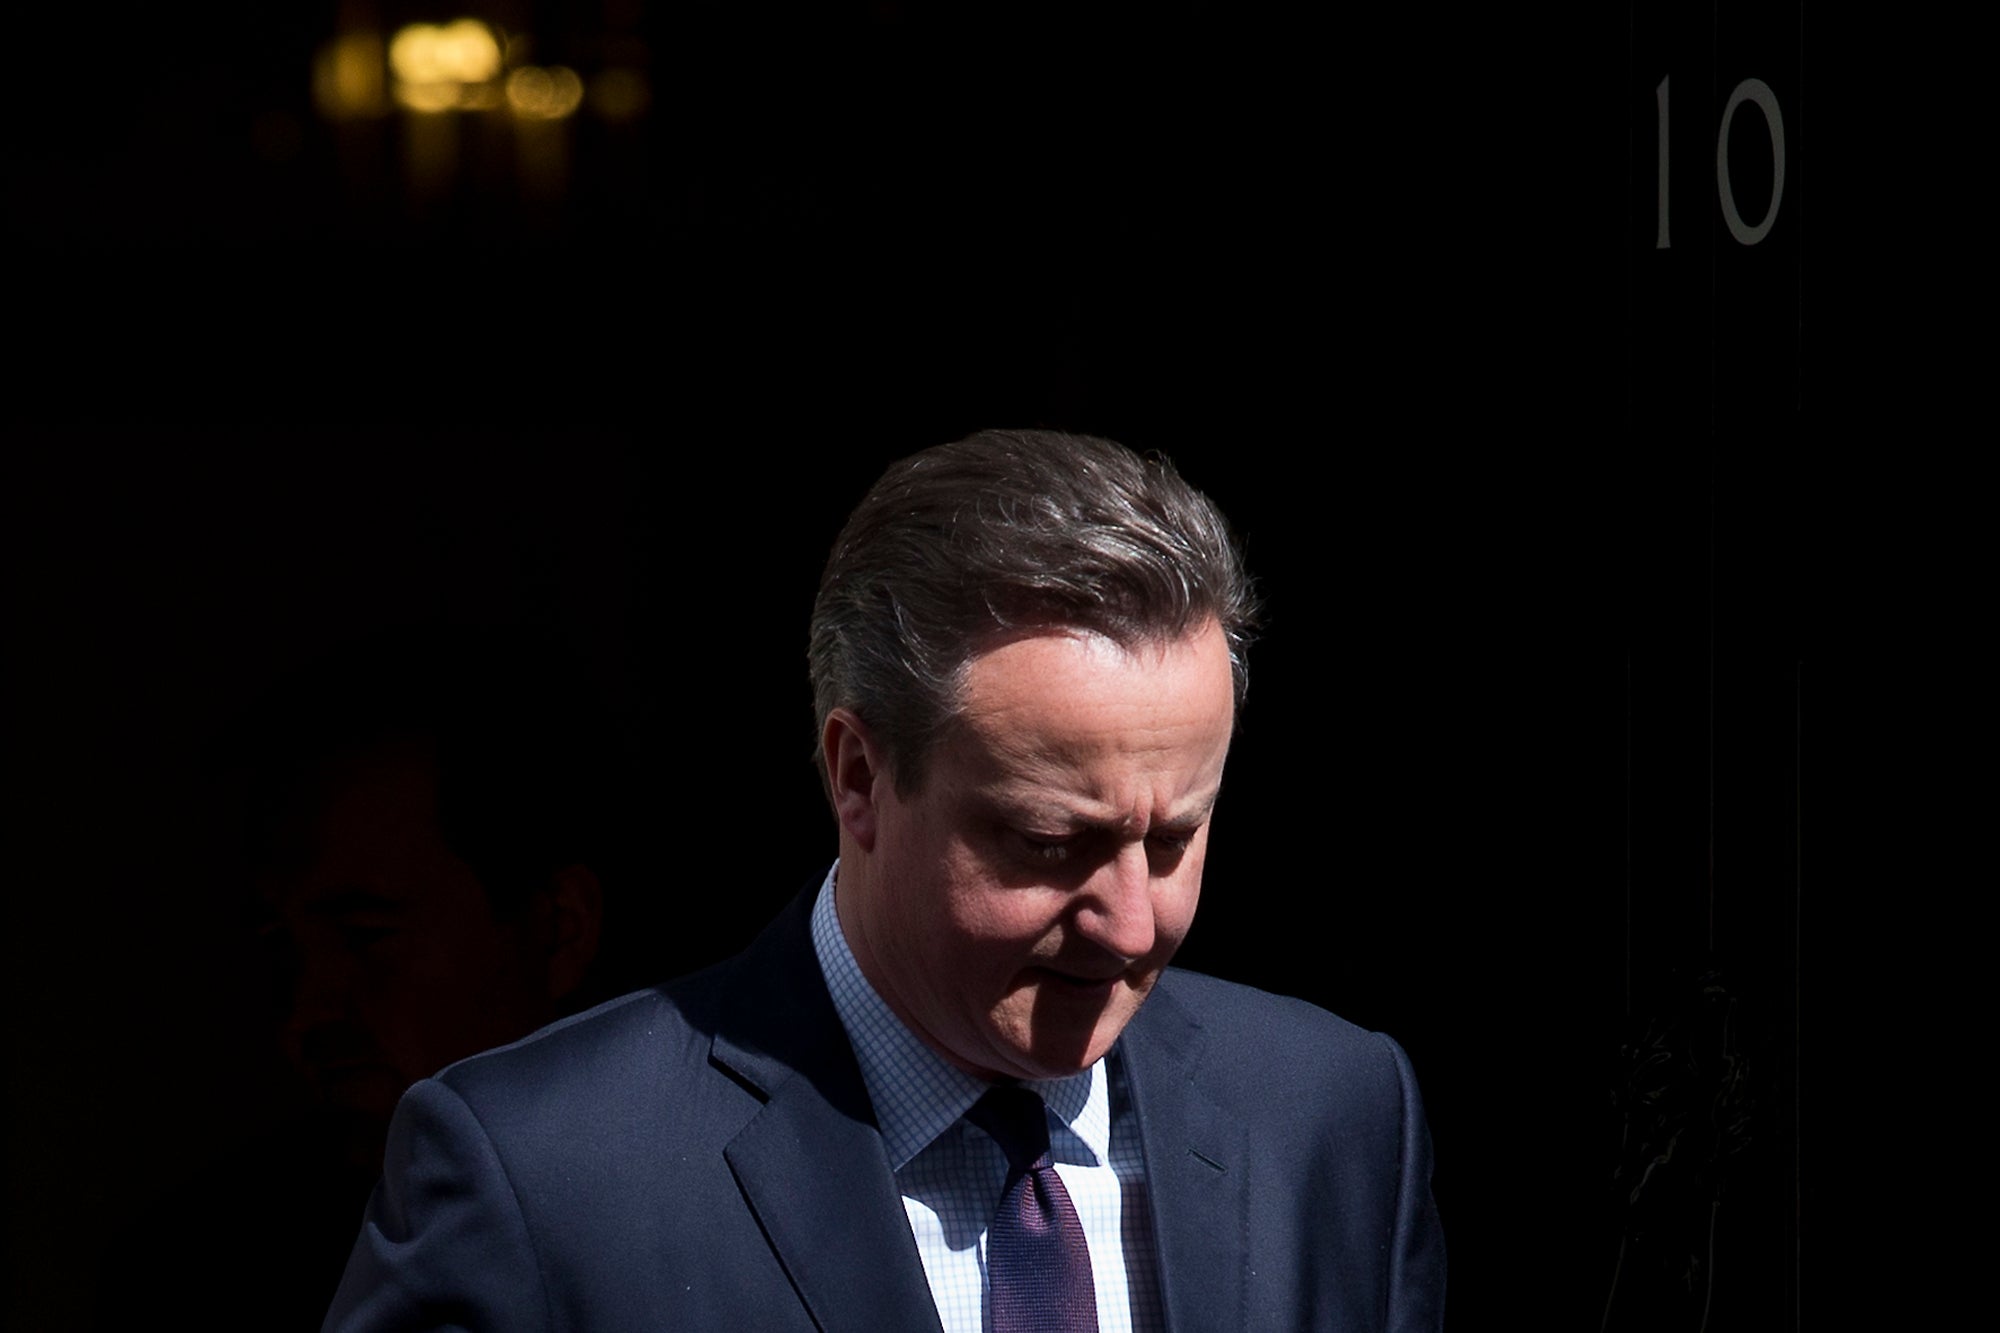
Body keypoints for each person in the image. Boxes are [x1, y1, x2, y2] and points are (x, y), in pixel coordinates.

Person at [325, 430, 1445, 1331]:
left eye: (1172, 839)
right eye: (1048, 843)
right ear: (858, 776)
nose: (1129, 922)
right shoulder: (542, 1173)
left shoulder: (1330, 1120)